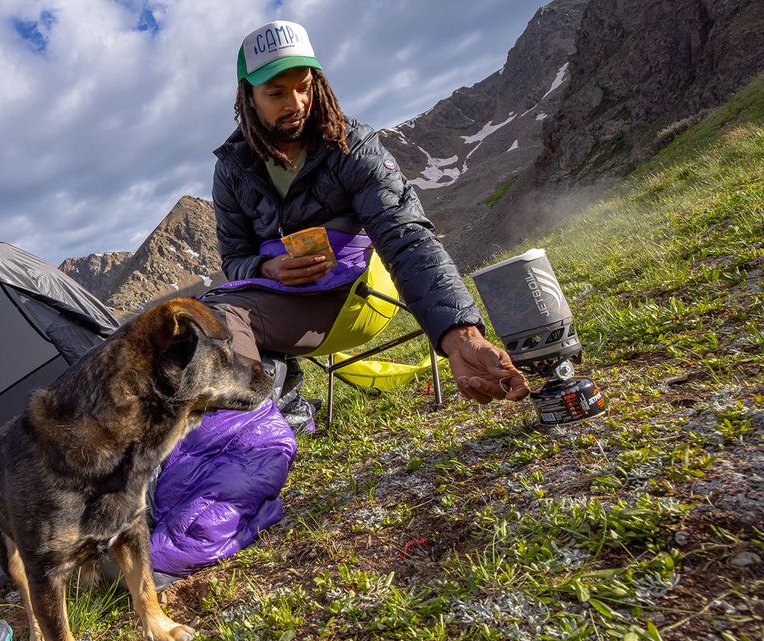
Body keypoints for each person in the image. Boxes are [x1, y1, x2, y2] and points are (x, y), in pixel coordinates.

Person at [207, 19, 529, 405]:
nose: (295, 105)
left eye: (305, 87)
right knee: (206, 322)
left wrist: (461, 336)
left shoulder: (351, 146)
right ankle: (256, 425)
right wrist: (264, 268)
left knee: (220, 322)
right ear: (249, 97)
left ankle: (254, 427)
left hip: (358, 297)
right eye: (276, 93)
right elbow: (235, 256)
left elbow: (406, 237)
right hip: (281, 300)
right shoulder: (232, 168)